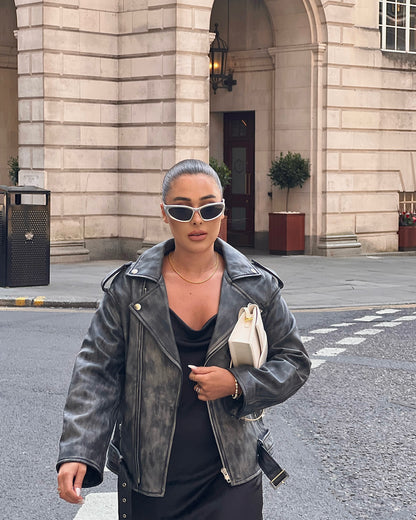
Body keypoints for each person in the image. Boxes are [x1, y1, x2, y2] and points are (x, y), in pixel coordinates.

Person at [57, 159, 311, 520]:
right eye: (182, 209)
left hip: (232, 477)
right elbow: (96, 370)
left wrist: (238, 384)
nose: (197, 220)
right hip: (153, 479)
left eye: (209, 208)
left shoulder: (256, 286)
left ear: (222, 213)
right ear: (164, 213)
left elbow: (295, 362)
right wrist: (78, 450)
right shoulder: (130, 289)